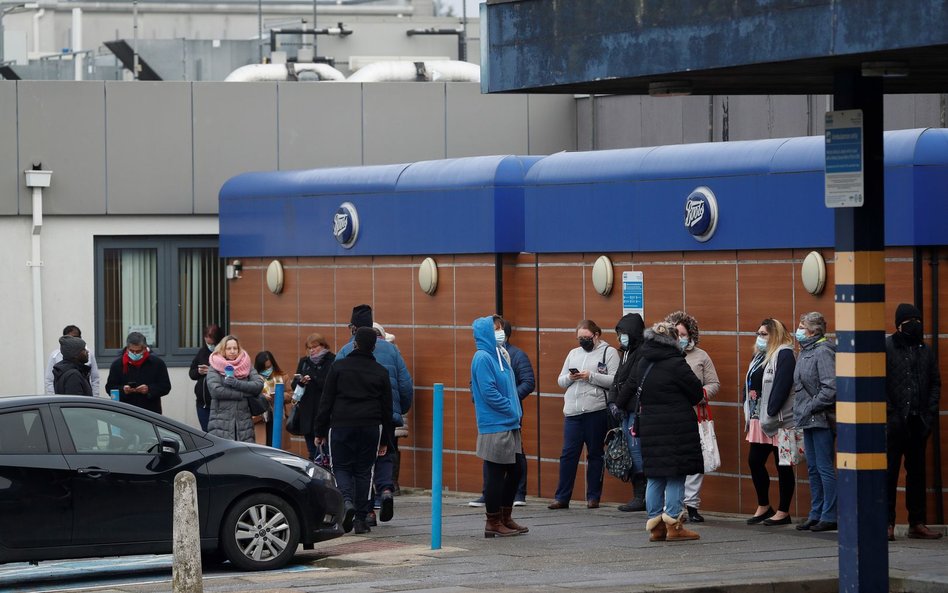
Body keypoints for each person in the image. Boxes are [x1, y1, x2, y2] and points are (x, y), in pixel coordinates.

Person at [336, 305, 413, 525]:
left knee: (361, 466)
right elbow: (406, 384)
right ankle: (386, 489)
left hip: (355, 418)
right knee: (385, 454)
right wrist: (400, 409)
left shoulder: (345, 351)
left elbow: (333, 385)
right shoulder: (392, 349)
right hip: (387, 416)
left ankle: (367, 512)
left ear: (353, 328)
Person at [315, 327, 393, 535]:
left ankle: (346, 501)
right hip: (370, 426)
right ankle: (361, 519)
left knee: (340, 466)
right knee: (364, 471)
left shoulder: (338, 367)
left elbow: (326, 401)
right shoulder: (381, 372)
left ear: (354, 343)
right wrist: (386, 439)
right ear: (374, 347)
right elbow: (387, 409)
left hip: (341, 424)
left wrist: (319, 431)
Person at [637, 321, 704, 542]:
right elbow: (696, 393)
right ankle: (674, 525)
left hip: (650, 426)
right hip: (676, 428)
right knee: (676, 475)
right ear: (674, 340)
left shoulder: (643, 362)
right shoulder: (676, 363)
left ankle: (655, 527)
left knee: (655, 476)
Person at [886, 303, 942, 540]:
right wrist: (890, 414)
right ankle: (886, 523)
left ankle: (916, 522)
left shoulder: (924, 350)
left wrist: (928, 414)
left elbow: (934, 383)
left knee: (917, 474)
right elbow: (877, 382)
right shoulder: (886, 347)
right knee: (888, 474)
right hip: (893, 423)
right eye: (910, 321)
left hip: (918, 423)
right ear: (899, 324)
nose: (915, 325)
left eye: (918, 321)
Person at [549, 319, 619, 510]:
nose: (582, 341)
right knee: (568, 454)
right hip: (573, 412)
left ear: (596, 335)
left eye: (586, 338)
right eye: (580, 338)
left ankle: (593, 497)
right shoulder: (573, 353)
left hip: (595, 410)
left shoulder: (609, 352)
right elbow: (560, 381)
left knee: (595, 454)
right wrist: (571, 377)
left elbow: (615, 380)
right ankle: (562, 497)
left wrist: (591, 376)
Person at [470, 315, 527, 537]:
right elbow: (489, 392)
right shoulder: (483, 357)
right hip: (495, 424)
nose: (499, 333)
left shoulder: (500, 355)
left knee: (516, 470)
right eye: (495, 329)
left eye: (500, 328)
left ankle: (505, 516)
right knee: (495, 474)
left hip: (509, 423)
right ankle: (493, 521)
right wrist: (511, 408)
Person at [665, 311, 720, 523]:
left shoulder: (701, 356)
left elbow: (714, 383)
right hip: (672, 415)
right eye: (676, 333)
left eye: (683, 333)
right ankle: (672, 505)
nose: (680, 338)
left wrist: (702, 395)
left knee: (697, 459)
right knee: (674, 459)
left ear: (691, 334)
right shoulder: (665, 356)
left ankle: (692, 504)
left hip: (696, 413)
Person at [743, 318, 797, 526]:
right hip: (759, 418)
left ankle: (783, 511)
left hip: (778, 419)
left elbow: (783, 385)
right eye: (758, 333)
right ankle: (764, 506)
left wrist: (771, 411)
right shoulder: (759, 355)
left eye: (764, 334)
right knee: (754, 461)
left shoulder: (784, 353)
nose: (760, 337)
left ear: (775, 335)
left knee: (782, 464)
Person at [792, 312, 838, 533]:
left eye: (801, 327)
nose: (798, 330)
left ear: (813, 330)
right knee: (812, 468)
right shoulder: (805, 351)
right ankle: (816, 512)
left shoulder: (823, 351)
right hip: (807, 418)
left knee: (824, 467)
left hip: (820, 419)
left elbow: (831, 387)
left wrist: (810, 406)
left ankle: (830, 514)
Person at [607, 313, 647, 512]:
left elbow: (632, 382)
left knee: (636, 452)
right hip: (624, 409)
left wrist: (618, 403)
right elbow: (617, 379)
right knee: (630, 452)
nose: (620, 337)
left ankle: (641, 496)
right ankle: (638, 494)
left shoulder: (641, 352)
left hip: (633, 410)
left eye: (623, 333)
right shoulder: (626, 352)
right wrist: (612, 401)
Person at [206, 335, 264, 443]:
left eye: (235, 348)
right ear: (223, 350)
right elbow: (216, 391)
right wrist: (243, 394)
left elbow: (258, 385)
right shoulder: (214, 365)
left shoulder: (246, 364)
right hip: (220, 424)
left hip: (244, 423)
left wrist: (236, 383)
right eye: (229, 348)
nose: (232, 351)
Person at [291, 333, 336, 460]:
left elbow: (330, 384)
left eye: (314, 347)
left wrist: (313, 377)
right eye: (309, 348)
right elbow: (294, 385)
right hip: (307, 413)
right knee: (312, 453)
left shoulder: (332, 360)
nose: (311, 351)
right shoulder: (304, 362)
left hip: (325, 413)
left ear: (323, 346)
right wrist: (301, 382)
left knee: (326, 454)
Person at [104, 332, 171, 414]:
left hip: (150, 413)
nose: (135, 354)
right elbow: (109, 388)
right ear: (127, 348)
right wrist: (123, 390)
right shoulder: (118, 364)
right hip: (125, 412)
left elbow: (165, 386)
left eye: (138, 351)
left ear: (145, 348)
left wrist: (149, 389)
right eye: (131, 351)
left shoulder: (157, 363)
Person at [45, 325, 100, 396]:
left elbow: (95, 379)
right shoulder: (73, 375)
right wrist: (53, 399)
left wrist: (95, 399)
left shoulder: (75, 368)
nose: (87, 352)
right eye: (83, 350)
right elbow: (76, 403)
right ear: (75, 353)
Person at [189, 323, 224, 431]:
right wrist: (199, 371)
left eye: (211, 340)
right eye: (206, 339)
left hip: (220, 403)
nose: (209, 343)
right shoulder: (202, 352)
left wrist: (211, 371)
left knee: (219, 433)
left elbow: (229, 375)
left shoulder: (224, 354)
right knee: (206, 432)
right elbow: (192, 373)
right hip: (203, 403)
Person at [254, 350, 286, 446]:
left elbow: (291, 394)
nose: (267, 370)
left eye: (268, 367)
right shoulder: (254, 378)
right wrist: (262, 396)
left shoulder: (282, 376)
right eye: (263, 368)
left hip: (277, 415)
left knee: (277, 447)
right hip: (261, 418)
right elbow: (251, 396)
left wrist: (279, 396)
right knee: (264, 446)